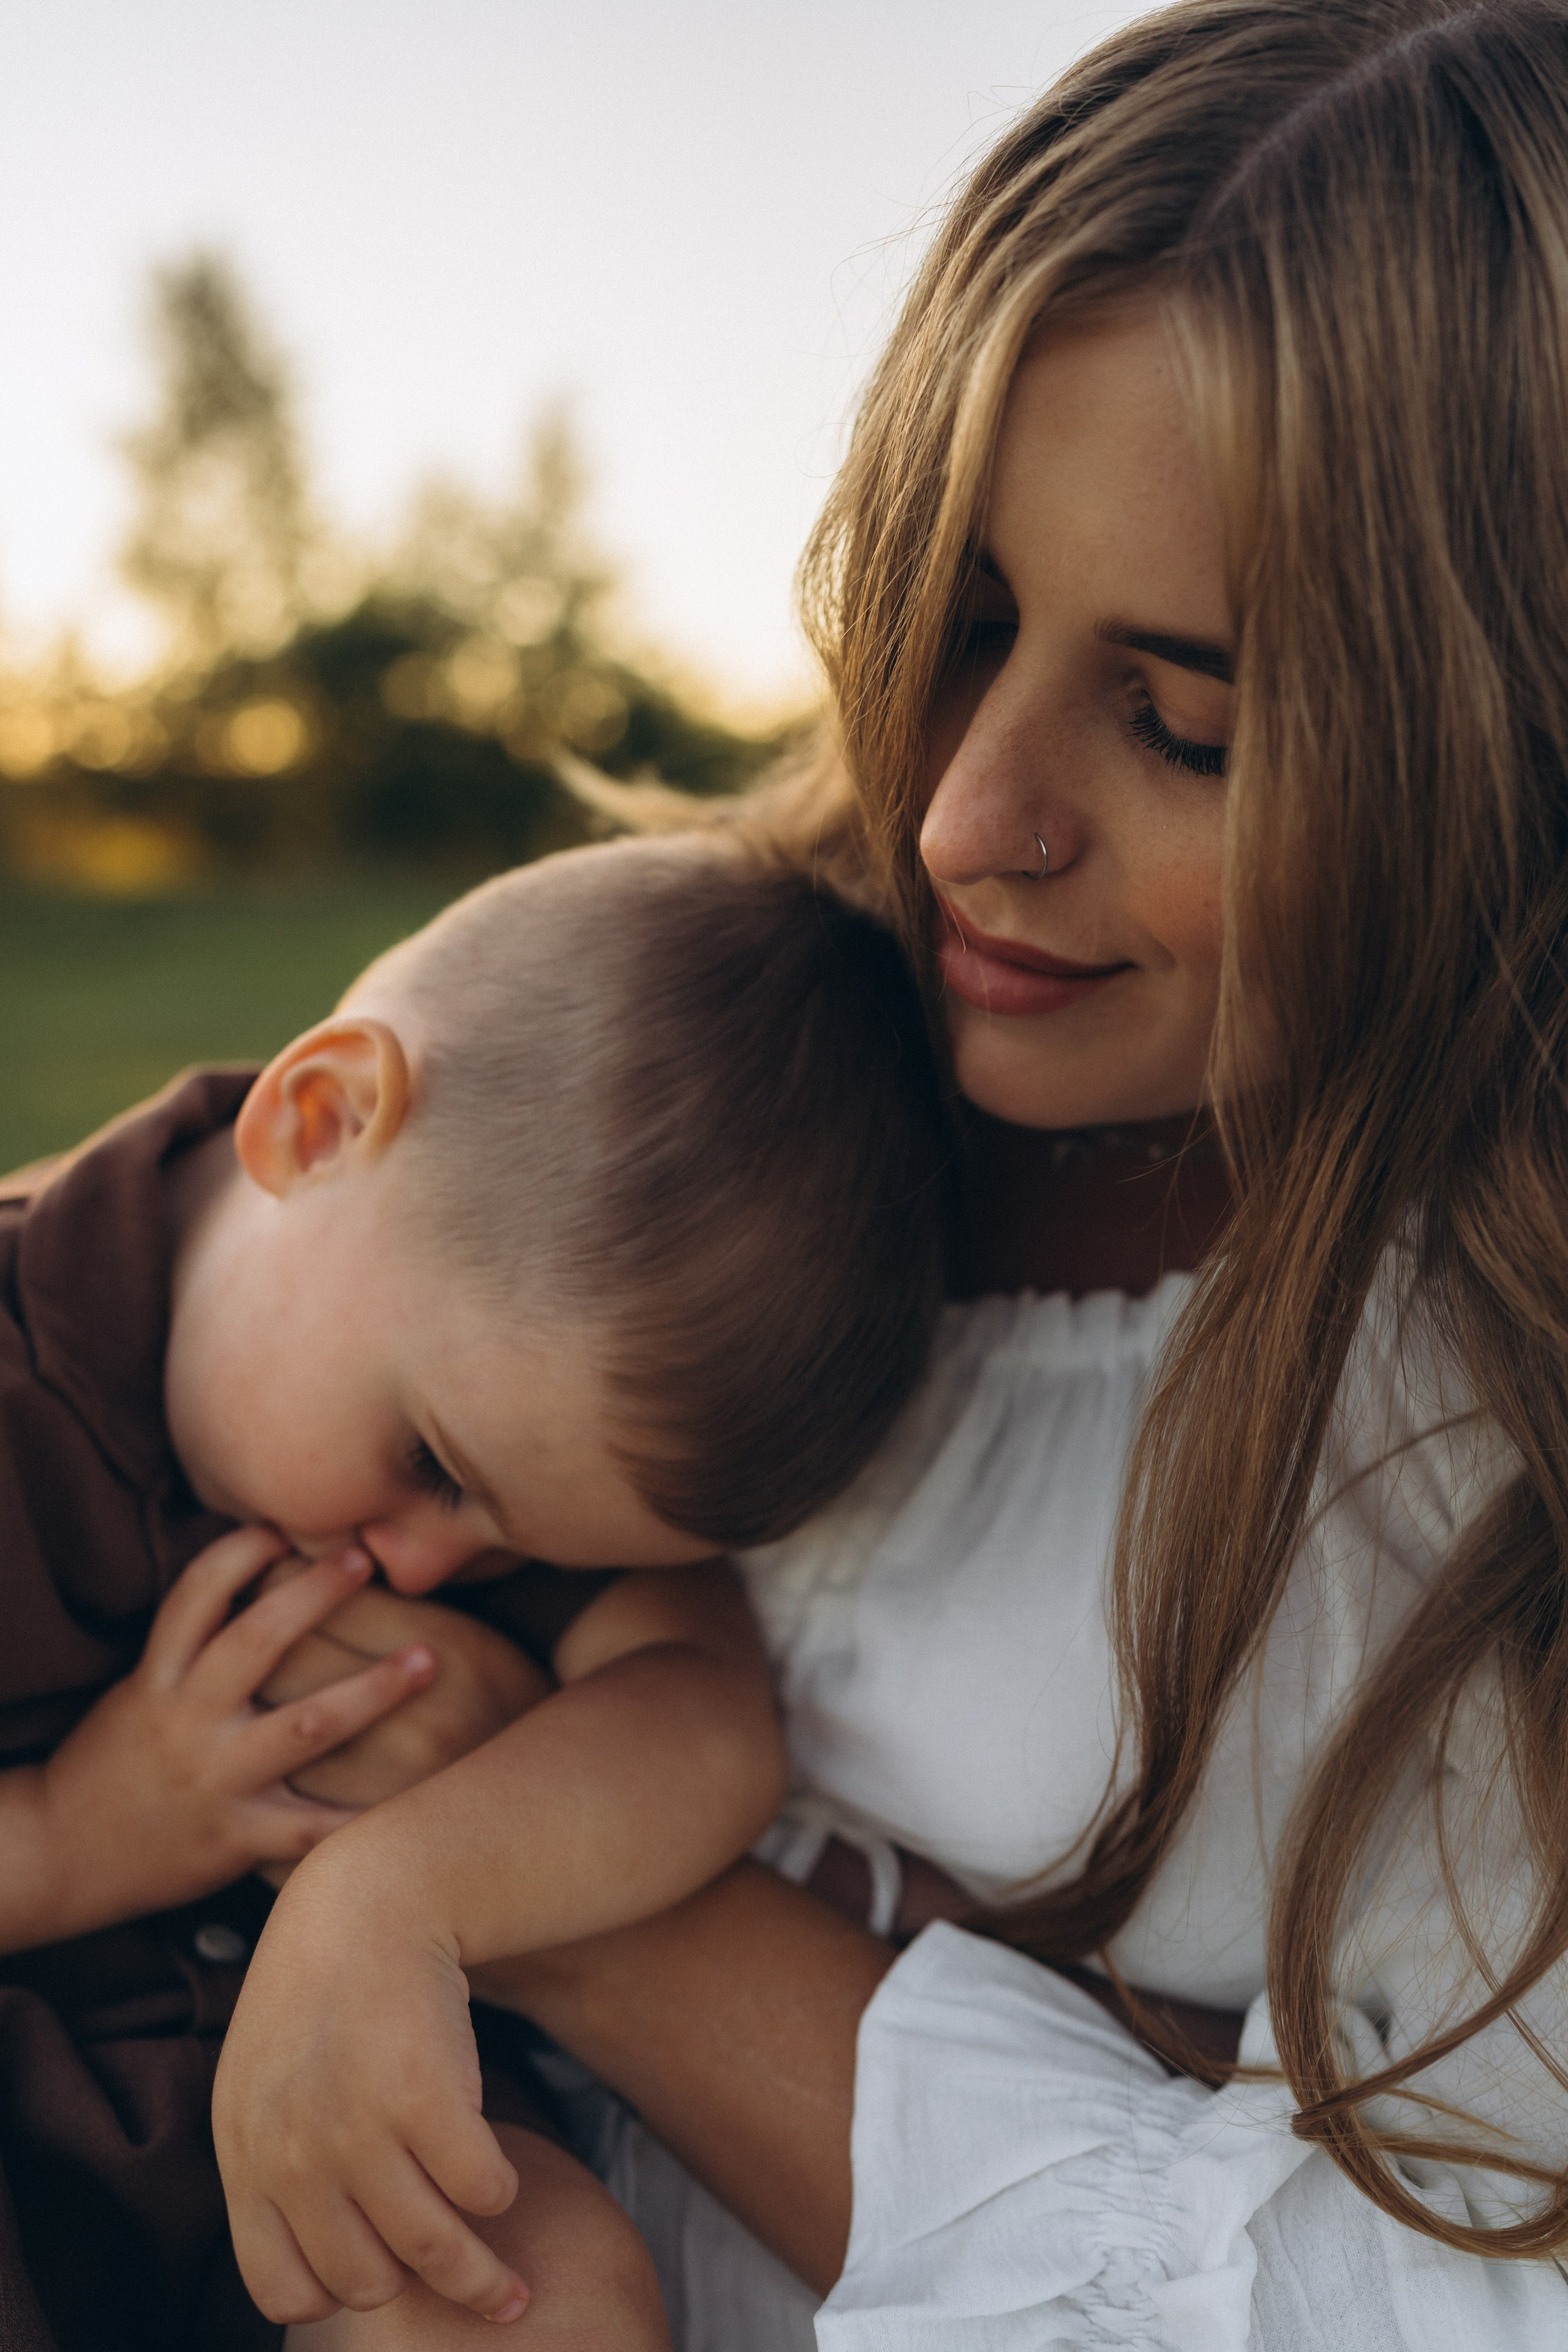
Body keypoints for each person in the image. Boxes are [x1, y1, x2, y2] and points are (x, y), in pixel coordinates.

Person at [389, 4, 1568, 2344]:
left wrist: (578, 1897)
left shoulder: (1484, 1452)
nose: (959, 821)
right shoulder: (707, 1049)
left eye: (1185, 721)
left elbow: (1422, 2305)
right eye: (961, 614)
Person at [0, 832, 950, 2351]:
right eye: (433, 1464)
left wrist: (405, 1895)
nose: (431, 1568)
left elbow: (700, 1721)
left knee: (536, 2293)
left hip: (312, 2141)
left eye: (528, 1554)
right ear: (316, 1125)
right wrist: (73, 1839)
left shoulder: (518, 1444)